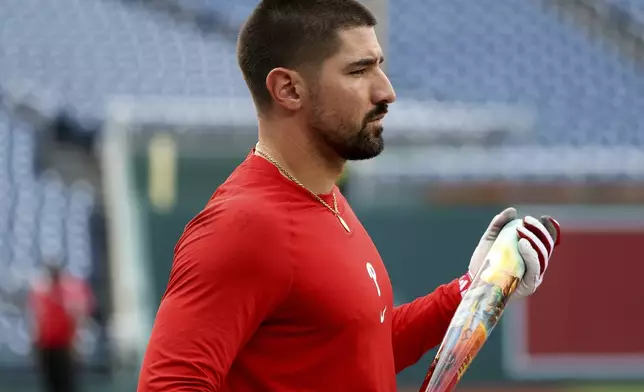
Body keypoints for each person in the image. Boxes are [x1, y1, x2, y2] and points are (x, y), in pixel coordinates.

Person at [137, 1, 561, 391]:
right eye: (359, 71)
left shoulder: (325, 198)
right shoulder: (243, 224)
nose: (386, 91)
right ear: (288, 90)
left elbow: (358, 350)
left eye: (380, 67)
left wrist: (473, 289)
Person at [28, 263, 94, 392]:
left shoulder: (69, 291)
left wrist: (76, 342)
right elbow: (36, 320)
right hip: (47, 347)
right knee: (50, 382)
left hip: (64, 347)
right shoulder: (41, 292)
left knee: (66, 382)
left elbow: (79, 314)